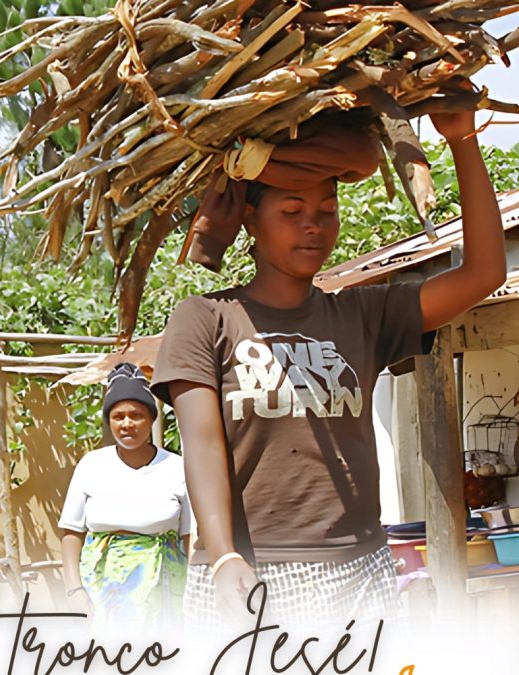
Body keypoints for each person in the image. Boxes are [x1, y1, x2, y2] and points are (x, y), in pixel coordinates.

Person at [151, 109, 505, 632]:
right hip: (250, 575)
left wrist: (462, 139)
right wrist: (224, 556)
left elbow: (484, 273)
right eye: (291, 210)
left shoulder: (363, 315)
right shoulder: (206, 318)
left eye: (326, 209)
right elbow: (201, 446)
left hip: (358, 572)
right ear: (251, 220)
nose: (313, 224)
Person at [59, 363, 191, 632]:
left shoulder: (177, 467)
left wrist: (194, 592)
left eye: (136, 415)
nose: (127, 424)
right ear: (109, 421)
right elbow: (71, 533)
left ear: (151, 419)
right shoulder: (91, 465)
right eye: (118, 416)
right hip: (101, 591)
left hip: (165, 593)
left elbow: (189, 537)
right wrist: (74, 590)